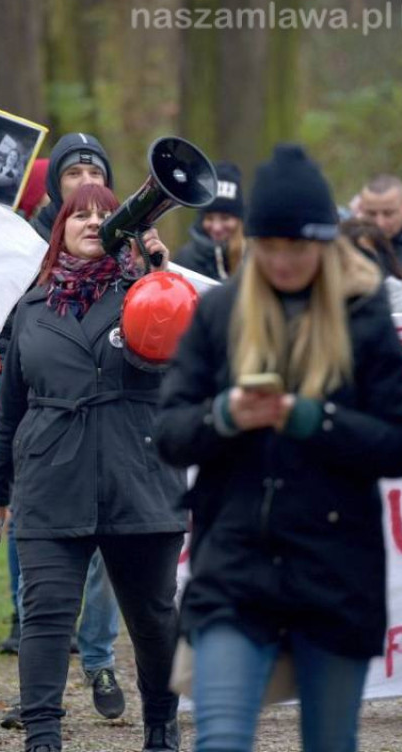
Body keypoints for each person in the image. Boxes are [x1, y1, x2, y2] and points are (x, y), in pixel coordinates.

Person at [156, 144, 402, 752]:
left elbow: (395, 442)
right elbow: (169, 433)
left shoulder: (363, 315)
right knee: (219, 738)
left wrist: (315, 420)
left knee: (329, 742)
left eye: (299, 248)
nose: (284, 262)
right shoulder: (219, 314)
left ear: (325, 244)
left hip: (335, 569)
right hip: (235, 566)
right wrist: (224, 415)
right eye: (270, 247)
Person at [0, 182, 186, 752]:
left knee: (151, 619)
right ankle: (43, 736)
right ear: (61, 227)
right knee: (45, 615)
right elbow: (11, 407)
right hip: (51, 477)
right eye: (81, 214)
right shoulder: (30, 306)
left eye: (105, 213)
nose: (94, 221)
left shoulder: (150, 292)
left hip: (139, 475)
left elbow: (183, 375)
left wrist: (158, 277)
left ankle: (160, 726)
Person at [0, 133, 127, 724]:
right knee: (39, 572)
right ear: (56, 186)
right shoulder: (20, 244)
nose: (84, 183)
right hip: (42, 438)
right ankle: (37, 686)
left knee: (103, 565)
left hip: (110, 443)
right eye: (73, 173)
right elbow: (9, 328)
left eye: (94, 172)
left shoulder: (130, 258)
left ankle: (99, 657)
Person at [173, 162, 246, 281]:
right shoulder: (185, 261)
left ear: (239, 219)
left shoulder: (255, 257)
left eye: (225, 218)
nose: (216, 227)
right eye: (210, 218)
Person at [339, 218, 402, 311]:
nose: (358, 262)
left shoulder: (395, 292)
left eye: (366, 255)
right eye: (349, 255)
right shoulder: (321, 291)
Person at [357, 174, 402, 266]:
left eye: (388, 214)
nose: (379, 223)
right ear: (361, 209)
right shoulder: (349, 246)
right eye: (371, 214)